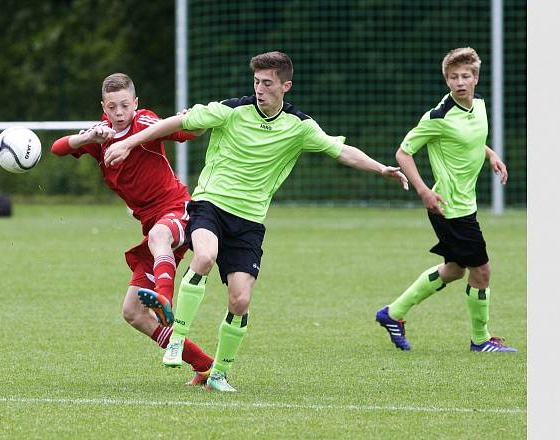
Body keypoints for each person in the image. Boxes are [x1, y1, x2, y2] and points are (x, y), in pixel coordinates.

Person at [104, 52, 409, 391]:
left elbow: (341, 150)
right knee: (204, 255)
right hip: (210, 204)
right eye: (256, 82)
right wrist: (130, 142)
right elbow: (175, 122)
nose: (260, 89)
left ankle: (216, 374)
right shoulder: (232, 110)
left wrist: (381, 168)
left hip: (249, 221)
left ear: (285, 86)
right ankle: (177, 337)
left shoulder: (300, 126)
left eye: (267, 83)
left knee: (240, 299)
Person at [50, 73, 215, 384]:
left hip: (176, 209)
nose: (119, 112)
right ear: (104, 107)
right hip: (151, 225)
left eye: (125, 105)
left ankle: (164, 299)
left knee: (158, 236)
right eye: (112, 107)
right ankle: (204, 365)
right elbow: (57, 148)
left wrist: (194, 120)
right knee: (133, 312)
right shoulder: (99, 137)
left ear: (135, 103)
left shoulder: (145, 122)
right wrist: (87, 139)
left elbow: (188, 133)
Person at [375, 47, 516, 353]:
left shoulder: (478, 105)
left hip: (465, 204)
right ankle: (480, 340)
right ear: (447, 81)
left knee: (454, 269)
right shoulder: (438, 116)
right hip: (449, 206)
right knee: (482, 271)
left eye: (465, 76)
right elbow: (403, 153)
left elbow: (471, 140)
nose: (460, 82)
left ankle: (393, 313)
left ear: (476, 78)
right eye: (453, 77)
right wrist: (424, 190)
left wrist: (490, 155)